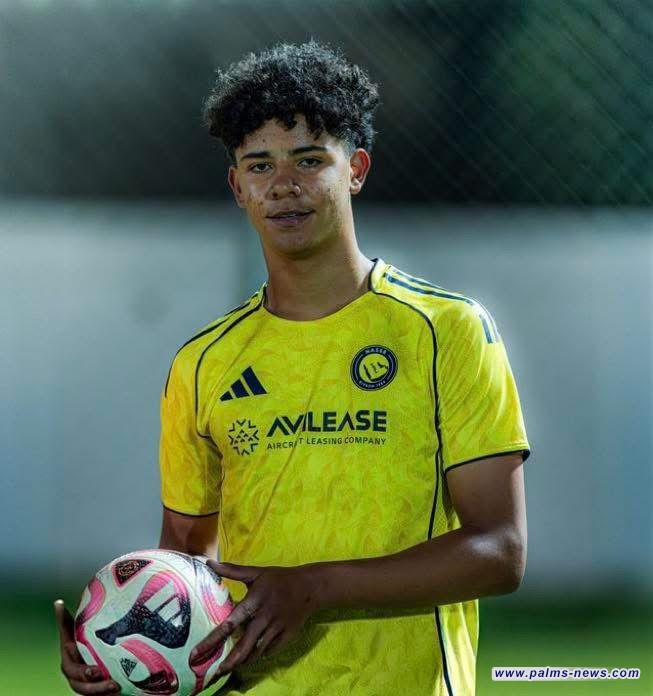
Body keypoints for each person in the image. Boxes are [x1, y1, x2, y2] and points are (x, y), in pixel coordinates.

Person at [55, 40, 530, 695]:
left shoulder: (446, 331)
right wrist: (121, 649)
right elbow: (186, 565)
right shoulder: (203, 364)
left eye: (309, 159)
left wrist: (315, 587)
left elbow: (499, 552)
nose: (283, 185)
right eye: (260, 165)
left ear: (355, 169)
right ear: (237, 186)